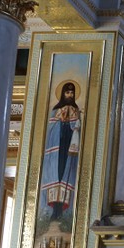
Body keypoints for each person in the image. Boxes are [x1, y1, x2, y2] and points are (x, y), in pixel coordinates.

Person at [40, 82, 81, 221]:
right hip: (56, 149)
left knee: (65, 176)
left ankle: (62, 211)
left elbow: (77, 129)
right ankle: (54, 211)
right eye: (67, 93)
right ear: (63, 93)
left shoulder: (76, 109)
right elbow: (50, 129)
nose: (70, 95)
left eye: (72, 93)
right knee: (55, 177)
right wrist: (60, 120)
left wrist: (72, 123)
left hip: (68, 148)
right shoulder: (55, 109)